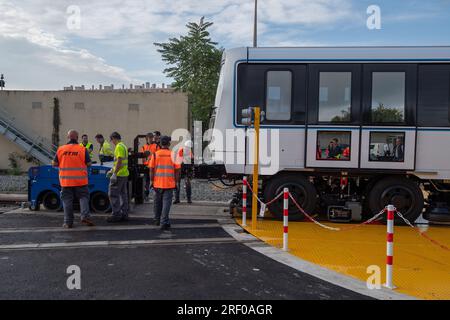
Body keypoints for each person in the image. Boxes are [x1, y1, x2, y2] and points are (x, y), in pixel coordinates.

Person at [52, 130, 95, 229]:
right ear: (77, 138)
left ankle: (68, 222)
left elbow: (54, 164)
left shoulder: (61, 149)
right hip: (81, 181)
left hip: (66, 181)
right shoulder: (82, 149)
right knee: (83, 197)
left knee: (67, 200)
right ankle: (85, 216)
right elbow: (89, 164)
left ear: (68, 137)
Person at [149, 135, 181, 230]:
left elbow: (151, 169)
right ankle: (164, 222)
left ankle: (157, 220)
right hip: (169, 184)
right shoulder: (174, 155)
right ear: (169, 144)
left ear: (160, 143)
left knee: (157, 203)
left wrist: (151, 181)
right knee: (166, 204)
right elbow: (177, 171)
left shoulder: (155, 154)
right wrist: (176, 182)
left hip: (157, 183)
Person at [106, 132, 130, 223]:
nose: (112, 142)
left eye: (111, 140)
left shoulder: (119, 147)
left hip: (119, 175)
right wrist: (112, 171)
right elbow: (119, 162)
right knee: (123, 195)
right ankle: (124, 214)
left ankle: (116, 214)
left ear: (113, 138)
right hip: (124, 174)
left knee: (113, 194)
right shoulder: (123, 146)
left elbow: (119, 161)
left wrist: (114, 174)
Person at [174, 140, 193, 204]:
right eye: (187, 147)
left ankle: (189, 199)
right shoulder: (181, 150)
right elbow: (179, 160)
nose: (188, 148)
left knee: (188, 184)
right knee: (177, 184)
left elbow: (191, 161)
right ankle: (177, 199)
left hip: (186, 169)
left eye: (189, 147)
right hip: (179, 169)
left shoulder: (190, 152)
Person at [140, 132, 154, 201]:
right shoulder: (143, 147)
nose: (151, 139)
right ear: (146, 139)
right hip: (146, 166)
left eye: (152, 138)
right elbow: (143, 158)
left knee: (153, 181)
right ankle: (146, 195)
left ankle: (152, 195)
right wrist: (144, 165)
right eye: (149, 138)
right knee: (146, 181)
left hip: (153, 167)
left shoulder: (156, 146)